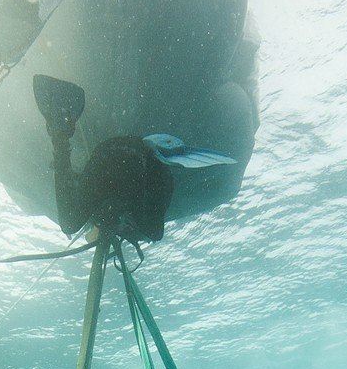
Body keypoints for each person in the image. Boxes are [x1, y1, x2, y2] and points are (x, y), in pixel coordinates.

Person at [33, 74, 235, 243]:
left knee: (154, 233)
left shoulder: (118, 217)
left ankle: (157, 159)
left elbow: (154, 197)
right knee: (71, 223)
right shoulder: (95, 212)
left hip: (130, 161)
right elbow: (77, 183)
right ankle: (60, 136)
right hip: (123, 159)